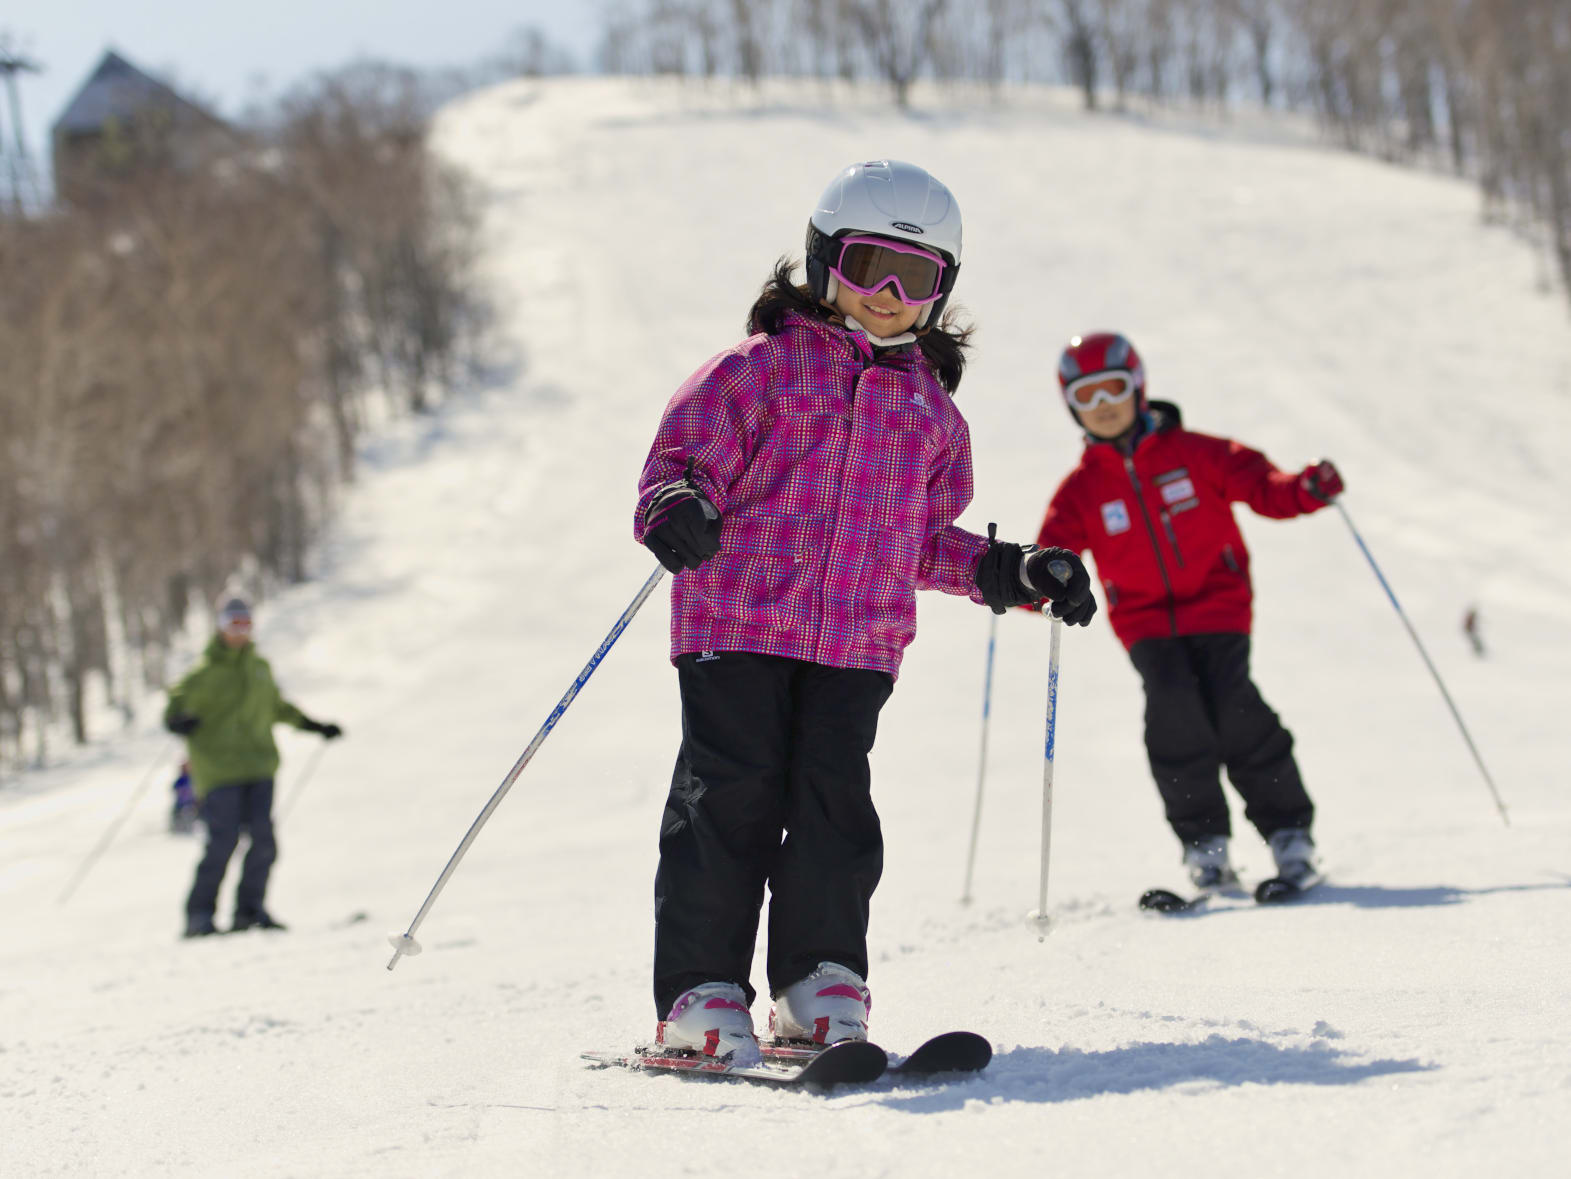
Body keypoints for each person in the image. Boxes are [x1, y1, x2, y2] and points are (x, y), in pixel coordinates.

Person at [632, 160, 1096, 1065]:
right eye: (868, 266)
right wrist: (675, 506)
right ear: (820, 260)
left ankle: (820, 980)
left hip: (857, 644)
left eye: (913, 277)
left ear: (940, 290)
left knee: (834, 810)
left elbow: (923, 540)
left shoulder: (928, 410)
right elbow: (679, 463)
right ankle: (701, 993)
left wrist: (1015, 570)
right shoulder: (754, 372)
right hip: (736, 627)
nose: (887, 295)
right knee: (728, 799)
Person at [1034, 331, 1341, 894]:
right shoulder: (1081, 489)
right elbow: (1054, 552)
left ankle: (1290, 835)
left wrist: (1307, 489)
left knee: (1233, 705)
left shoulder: (1199, 454)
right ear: (1071, 406)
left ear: (1140, 388)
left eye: (1113, 390)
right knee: (1173, 710)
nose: (1103, 407)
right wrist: (1038, 579)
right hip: (1145, 620)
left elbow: (1267, 489)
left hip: (1218, 604)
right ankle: (1205, 846)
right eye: (1087, 397)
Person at [164, 596, 343, 938]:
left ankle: (249, 910)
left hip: (259, 766)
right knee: (223, 841)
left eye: (246, 624)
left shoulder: (259, 668)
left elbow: (277, 707)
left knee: (264, 840)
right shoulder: (203, 673)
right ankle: (198, 916)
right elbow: (174, 706)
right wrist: (177, 721)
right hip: (218, 771)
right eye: (234, 624)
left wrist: (315, 726)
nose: (240, 632)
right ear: (220, 628)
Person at [169, 760, 198, 835]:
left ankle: (189, 827)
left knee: (191, 813)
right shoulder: (181, 779)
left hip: (191, 802)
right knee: (176, 813)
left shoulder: (192, 778)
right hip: (181, 802)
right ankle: (176, 827)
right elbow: (175, 788)